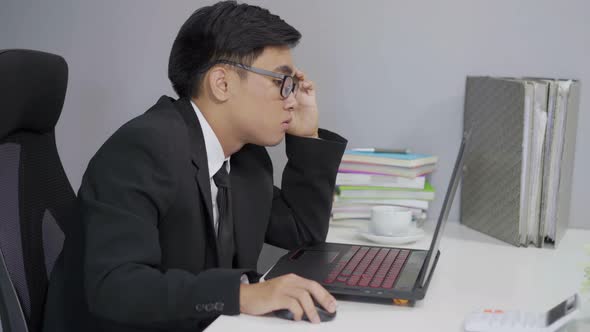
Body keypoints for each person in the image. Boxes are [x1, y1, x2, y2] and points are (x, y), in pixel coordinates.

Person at [52, 1, 347, 332]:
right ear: (221, 84)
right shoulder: (143, 148)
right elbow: (115, 286)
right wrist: (240, 295)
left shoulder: (246, 158)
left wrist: (306, 135)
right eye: (281, 82)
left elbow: (302, 232)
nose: (292, 99)